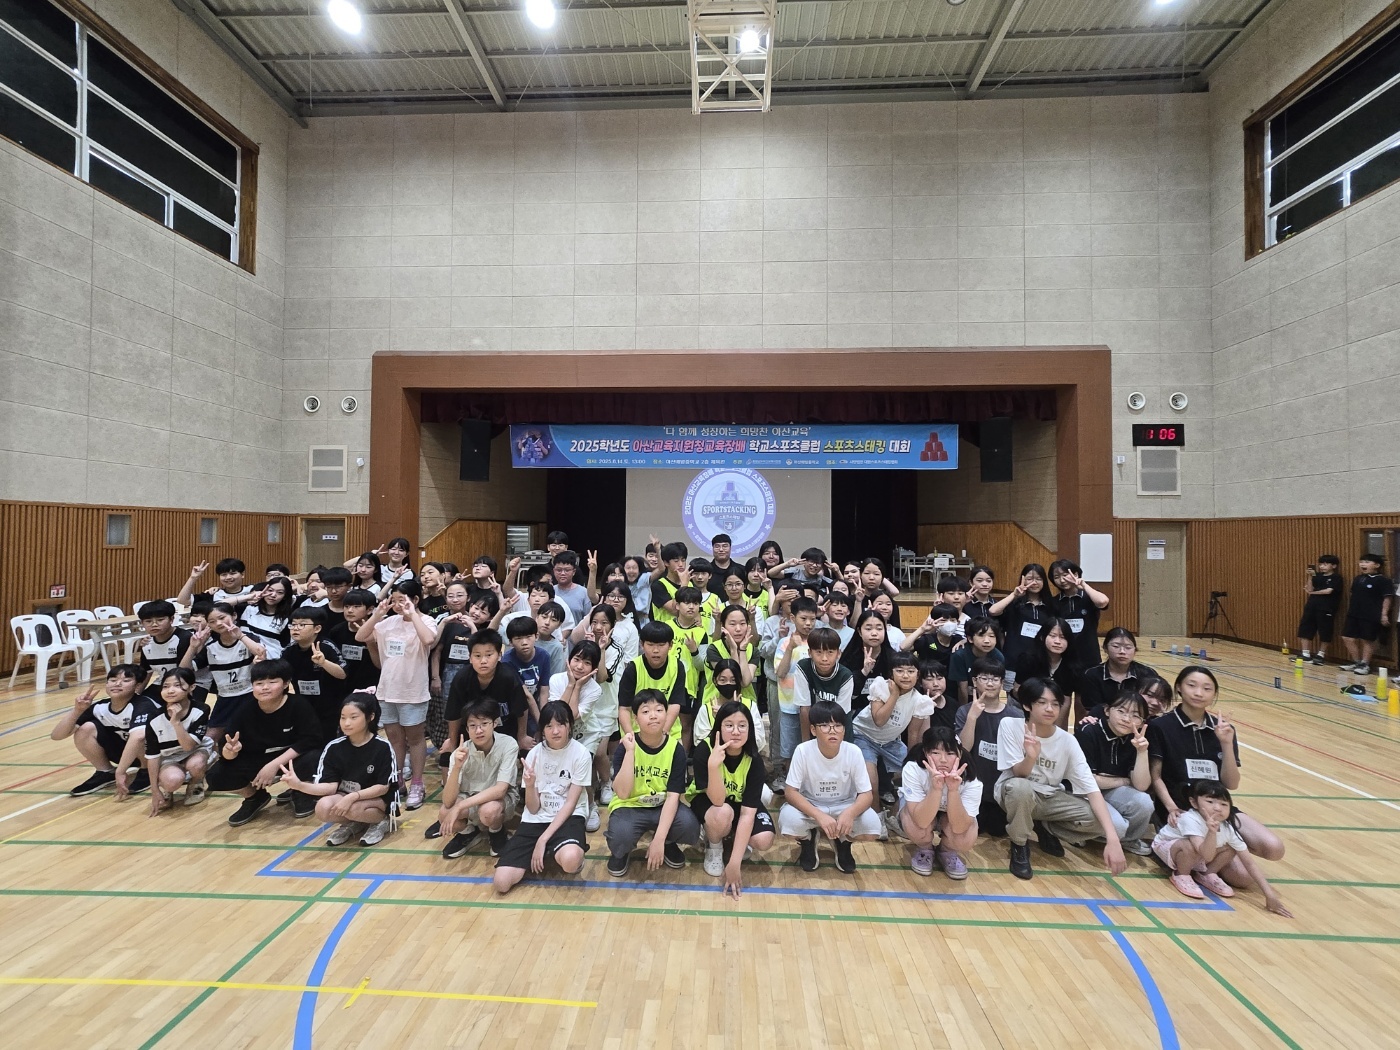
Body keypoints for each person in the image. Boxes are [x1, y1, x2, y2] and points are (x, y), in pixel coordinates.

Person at [1148, 665, 1286, 871]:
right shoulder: (1160, 726)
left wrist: (1226, 743)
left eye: (1207, 688)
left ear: (1214, 694)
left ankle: (1217, 849)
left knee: (1273, 848)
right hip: (1179, 811)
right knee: (1237, 874)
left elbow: (1231, 783)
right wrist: (1171, 807)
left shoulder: (1223, 729)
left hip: (1217, 809)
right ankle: (1194, 853)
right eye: (1191, 685)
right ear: (1178, 688)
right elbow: (1156, 776)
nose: (1198, 693)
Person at [995, 678, 1127, 881]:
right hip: (1014, 790)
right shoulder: (1010, 725)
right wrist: (1031, 756)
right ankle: (1019, 844)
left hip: (1049, 796)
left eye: (1055, 704)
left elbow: (1092, 790)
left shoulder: (1068, 741)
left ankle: (1046, 827)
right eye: (1042, 702)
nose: (1050, 709)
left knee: (1111, 825)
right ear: (1027, 705)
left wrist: (1113, 840)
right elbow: (1019, 774)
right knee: (1021, 788)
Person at [205, 660, 323, 827]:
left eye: (272, 682)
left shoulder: (298, 705)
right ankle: (254, 797)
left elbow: (310, 739)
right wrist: (230, 751)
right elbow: (227, 748)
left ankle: (301, 791)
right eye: (259, 683)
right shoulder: (245, 710)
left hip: (290, 758)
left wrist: (274, 765)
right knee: (216, 775)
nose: (265, 687)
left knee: (314, 757)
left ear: (286, 684)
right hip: (258, 759)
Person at [493, 701, 593, 894]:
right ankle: (547, 851)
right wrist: (530, 785)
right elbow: (532, 808)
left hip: (568, 817)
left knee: (571, 861)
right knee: (501, 883)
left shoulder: (581, 754)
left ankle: (555, 849)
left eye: (561, 724)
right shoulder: (534, 754)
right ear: (542, 730)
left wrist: (542, 839)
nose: (555, 731)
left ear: (569, 726)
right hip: (537, 819)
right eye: (549, 726)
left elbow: (571, 803)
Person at [1151, 782, 1291, 914]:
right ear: (1194, 802)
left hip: (1199, 853)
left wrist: (1269, 895)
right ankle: (1182, 875)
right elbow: (1205, 854)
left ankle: (1207, 874)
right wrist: (1212, 833)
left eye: (1224, 804)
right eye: (1210, 802)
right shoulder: (1190, 819)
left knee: (1231, 847)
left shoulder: (1228, 828)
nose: (1218, 808)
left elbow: (1249, 862)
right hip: (1168, 847)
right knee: (1189, 846)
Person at [605, 689, 701, 878]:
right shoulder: (625, 747)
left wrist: (658, 840)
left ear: (666, 714)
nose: (653, 716)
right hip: (630, 806)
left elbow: (673, 797)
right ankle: (622, 852)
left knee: (689, 826)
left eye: (658, 710)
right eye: (646, 711)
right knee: (620, 836)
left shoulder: (676, 749)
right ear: (635, 718)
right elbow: (622, 793)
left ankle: (667, 842)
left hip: (662, 806)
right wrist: (630, 752)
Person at [356, 579, 435, 809]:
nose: (398, 605)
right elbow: (361, 636)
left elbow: (428, 639)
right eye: (395, 600)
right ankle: (397, 779)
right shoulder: (388, 623)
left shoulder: (426, 621)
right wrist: (378, 614)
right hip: (387, 691)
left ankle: (417, 783)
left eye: (403, 600)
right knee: (395, 739)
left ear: (416, 599)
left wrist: (412, 614)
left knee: (416, 739)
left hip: (413, 691)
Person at [778, 700, 881, 873]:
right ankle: (808, 839)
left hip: (844, 805)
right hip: (812, 805)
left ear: (844, 730)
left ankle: (843, 841)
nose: (832, 730)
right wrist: (819, 815)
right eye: (825, 725)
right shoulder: (803, 751)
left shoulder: (853, 751)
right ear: (813, 730)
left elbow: (866, 794)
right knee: (788, 823)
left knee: (873, 827)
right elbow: (790, 792)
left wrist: (850, 813)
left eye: (838, 725)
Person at [283, 693, 398, 846]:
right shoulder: (334, 747)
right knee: (322, 807)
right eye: (343, 718)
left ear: (370, 717)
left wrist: (352, 797)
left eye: (353, 717)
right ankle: (355, 822)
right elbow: (330, 787)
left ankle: (380, 821)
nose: (346, 723)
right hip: (345, 796)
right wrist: (299, 785)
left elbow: (383, 787)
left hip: (377, 799)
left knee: (353, 808)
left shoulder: (382, 747)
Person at [688, 700, 775, 892]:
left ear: (750, 729)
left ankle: (735, 839)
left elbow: (747, 814)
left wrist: (735, 863)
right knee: (723, 812)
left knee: (764, 839)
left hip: (738, 802)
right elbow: (717, 800)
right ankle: (714, 845)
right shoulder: (704, 750)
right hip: (710, 802)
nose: (736, 731)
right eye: (729, 725)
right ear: (719, 727)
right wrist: (713, 766)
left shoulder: (754, 759)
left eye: (742, 726)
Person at [52, 665, 157, 795]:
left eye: (126, 680)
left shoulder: (144, 705)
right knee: (86, 728)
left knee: (139, 736)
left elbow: (138, 737)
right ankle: (105, 772)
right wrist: (77, 710)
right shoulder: (100, 707)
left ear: (138, 685)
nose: (117, 684)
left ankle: (147, 770)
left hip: (152, 755)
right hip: (122, 753)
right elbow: (57, 736)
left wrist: (121, 771)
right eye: (113, 680)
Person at [435, 699, 521, 858]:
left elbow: (500, 790)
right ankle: (468, 833)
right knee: (444, 813)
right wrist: (457, 767)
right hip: (469, 797)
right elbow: (447, 801)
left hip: (499, 800)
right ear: (467, 728)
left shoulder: (508, 744)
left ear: (495, 723)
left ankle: (496, 831)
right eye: (473, 725)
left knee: (489, 810)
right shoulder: (460, 752)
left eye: (484, 724)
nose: (479, 730)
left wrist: (460, 807)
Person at [848, 651, 935, 805]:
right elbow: (879, 721)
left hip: (891, 742)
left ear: (918, 675)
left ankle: (899, 812)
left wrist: (911, 763)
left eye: (911, 671)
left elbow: (913, 733)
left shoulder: (920, 700)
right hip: (863, 736)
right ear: (891, 673)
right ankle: (877, 816)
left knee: (919, 774)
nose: (905, 676)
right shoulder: (881, 686)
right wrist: (894, 695)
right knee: (870, 783)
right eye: (899, 671)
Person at [1074, 689, 1155, 855]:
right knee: (1117, 827)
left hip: (1109, 791)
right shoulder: (1089, 731)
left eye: (1135, 715)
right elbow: (1089, 781)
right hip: (1082, 792)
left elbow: (1141, 785)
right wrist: (1124, 781)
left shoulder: (1136, 739)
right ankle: (1076, 832)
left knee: (1144, 802)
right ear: (1107, 711)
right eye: (1121, 711)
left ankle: (1127, 840)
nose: (1127, 719)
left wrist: (1142, 752)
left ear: (1142, 722)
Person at [441, 629, 531, 775]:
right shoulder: (461, 678)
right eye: (477, 656)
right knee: (446, 756)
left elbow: (522, 709)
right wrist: (452, 741)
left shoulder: (508, 677)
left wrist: (522, 736)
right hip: (472, 734)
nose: (483, 661)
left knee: (524, 754)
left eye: (489, 655)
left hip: (504, 733)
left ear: (499, 655)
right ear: (470, 658)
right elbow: (454, 713)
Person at [123, 667, 213, 813]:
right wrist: (154, 790)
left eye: (177, 685)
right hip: (169, 757)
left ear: (191, 687)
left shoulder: (201, 710)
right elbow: (153, 757)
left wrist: (176, 723)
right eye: (165, 686)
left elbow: (188, 746)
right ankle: (168, 789)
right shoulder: (154, 718)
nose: (170, 690)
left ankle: (196, 783)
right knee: (171, 781)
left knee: (196, 764)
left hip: (195, 751)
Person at [898, 726, 979, 879]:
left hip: (951, 813)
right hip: (923, 811)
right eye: (936, 753)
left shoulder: (970, 778)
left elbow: (960, 826)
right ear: (925, 752)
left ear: (960, 754)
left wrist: (953, 790)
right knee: (916, 827)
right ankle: (925, 848)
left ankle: (947, 850)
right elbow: (921, 821)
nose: (943, 760)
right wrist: (936, 788)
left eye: (950, 753)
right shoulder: (913, 769)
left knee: (965, 838)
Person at [954, 654, 1020, 837]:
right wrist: (972, 717)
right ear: (975, 681)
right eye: (984, 678)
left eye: (995, 679)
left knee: (999, 832)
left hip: (1001, 789)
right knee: (970, 829)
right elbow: (964, 750)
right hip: (974, 788)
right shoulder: (964, 711)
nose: (990, 683)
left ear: (1002, 683)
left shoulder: (1015, 715)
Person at [183, 603, 265, 741]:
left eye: (222, 618)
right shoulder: (211, 648)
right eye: (212, 621)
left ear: (234, 616)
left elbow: (261, 653)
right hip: (226, 698)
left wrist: (240, 636)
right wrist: (192, 648)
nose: (218, 623)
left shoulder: (248, 638)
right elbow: (184, 670)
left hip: (251, 695)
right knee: (210, 738)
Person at [550, 640, 604, 830]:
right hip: (559, 733)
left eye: (587, 663)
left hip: (586, 735)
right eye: (577, 659)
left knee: (582, 773)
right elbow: (557, 714)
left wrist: (578, 686)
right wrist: (570, 685)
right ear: (569, 659)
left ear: (594, 668)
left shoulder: (595, 689)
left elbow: (570, 716)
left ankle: (591, 805)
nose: (580, 666)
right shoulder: (556, 680)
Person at [616, 620, 688, 741]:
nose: (655, 650)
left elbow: (674, 704)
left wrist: (662, 735)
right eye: (650, 645)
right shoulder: (633, 668)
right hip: (636, 734)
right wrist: (631, 736)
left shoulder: (677, 666)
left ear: (670, 645)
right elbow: (624, 708)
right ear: (642, 644)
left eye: (661, 645)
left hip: (668, 732)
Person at [772, 596, 820, 778]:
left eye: (812, 619)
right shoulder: (784, 643)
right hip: (790, 706)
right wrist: (791, 648)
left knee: (814, 746)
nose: (808, 624)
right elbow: (780, 672)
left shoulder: (818, 643)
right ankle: (792, 780)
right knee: (790, 749)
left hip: (814, 706)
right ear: (792, 618)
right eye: (803, 619)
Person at [792, 626, 855, 741]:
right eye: (819, 652)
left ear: (838, 653)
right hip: (814, 726)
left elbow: (840, 714)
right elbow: (804, 708)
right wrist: (806, 743)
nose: (824, 658)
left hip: (839, 729)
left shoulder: (845, 676)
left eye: (830, 652)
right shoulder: (803, 668)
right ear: (810, 653)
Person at [1013, 616, 1080, 722]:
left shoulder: (1071, 665)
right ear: (1042, 637)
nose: (1057, 641)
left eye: (1063, 637)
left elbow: (1065, 699)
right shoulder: (1028, 659)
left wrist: (1056, 727)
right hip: (1023, 706)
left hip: (1054, 709)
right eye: (1052, 636)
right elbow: (1017, 690)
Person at [1048, 559, 1110, 673]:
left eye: (1065, 575)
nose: (1062, 580)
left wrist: (1084, 586)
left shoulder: (1089, 596)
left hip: (1089, 654)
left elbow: (1103, 602)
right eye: (1056, 577)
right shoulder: (1054, 602)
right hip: (1064, 656)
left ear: (1075, 574)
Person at [988, 563, 1052, 669]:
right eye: (1029, 579)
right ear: (1023, 580)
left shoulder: (1050, 605)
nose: (1034, 582)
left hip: (1041, 660)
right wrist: (1014, 595)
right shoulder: (1014, 604)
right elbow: (993, 611)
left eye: (1039, 579)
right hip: (1013, 660)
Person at [1079, 628, 1158, 713]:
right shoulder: (1092, 675)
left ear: (1135, 650)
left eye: (1128, 647)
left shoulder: (1148, 674)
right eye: (1116, 646)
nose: (1122, 651)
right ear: (1105, 648)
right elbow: (1092, 710)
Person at [1341, 553, 1392, 678]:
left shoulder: (1383, 580)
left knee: (1367, 639)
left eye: (1367, 562)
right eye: (1361, 562)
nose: (1362, 564)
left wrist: (1384, 614)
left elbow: (1387, 598)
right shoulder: (1358, 579)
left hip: (1371, 614)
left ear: (1377, 565)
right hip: (1354, 613)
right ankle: (1357, 662)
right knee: (1347, 637)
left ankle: (1365, 664)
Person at [503, 616, 553, 742]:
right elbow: (526, 696)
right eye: (518, 638)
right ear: (510, 642)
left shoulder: (544, 656)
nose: (524, 642)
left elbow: (544, 691)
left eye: (528, 637)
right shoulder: (507, 661)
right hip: (513, 708)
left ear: (536, 636)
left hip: (533, 705)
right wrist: (542, 725)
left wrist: (545, 719)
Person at [839, 608, 898, 714]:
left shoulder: (893, 658)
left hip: (886, 712)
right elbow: (844, 694)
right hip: (853, 712)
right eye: (868, 629)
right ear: (859, 632)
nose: (874, 633)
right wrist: (863, 672)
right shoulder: (849, 657)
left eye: (879, 629)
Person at [135, 600, 192, 699]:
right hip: (162, 683)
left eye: (160, 620)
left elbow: (185, 672)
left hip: (187, 684)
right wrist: (135, 697)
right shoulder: (147, 643)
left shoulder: (184, 638)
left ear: (171, 619)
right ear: (142, 623)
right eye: (148, 621)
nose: (154, 624)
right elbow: (146, 672)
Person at [1295, 554, 1343, 666]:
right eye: (1321, 564)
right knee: (1306, 628)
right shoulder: (1317, 576)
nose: (1322, 566)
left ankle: (1321, 654)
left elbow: (1328, 591)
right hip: (1312, 606)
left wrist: (1313, 592)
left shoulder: (1336, 578)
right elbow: (1309, 588)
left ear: (1334, 566)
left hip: (1326, 608)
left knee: (1325, 631)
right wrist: (1310, 576)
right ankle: (1305, 654)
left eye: (1325, 564)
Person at [330, 589, 380, 694]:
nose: (350, 610)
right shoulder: (336, 631)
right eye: (346, 606)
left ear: (370, 610)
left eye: (356, 606)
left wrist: (368, 640)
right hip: (342, 686)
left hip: (370, 687)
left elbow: (379, 664)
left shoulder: (379, 631)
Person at [947, 617, 1004, 703]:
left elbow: (999, 685)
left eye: (991, 636)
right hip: (961, 698)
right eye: (981, 635)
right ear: (970, 639)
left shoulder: (998, 656)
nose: (987, 641)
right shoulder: (959, 655)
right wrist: (965, 709)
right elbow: (962, 688)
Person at [237, 577, 293, 660]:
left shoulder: (287, 618)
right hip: (245, 658)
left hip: (271, 660)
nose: (273, 595)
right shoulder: (249, 609)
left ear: (285, 596)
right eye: (270, 590)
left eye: (280, 592)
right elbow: (220, 606)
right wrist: (250, 597)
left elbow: (287, 646)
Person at [550, 551, 592, 625]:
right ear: (554, 571)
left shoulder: (583, 592)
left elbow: (588, 619)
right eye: (559, 570)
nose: (562, 573)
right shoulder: (550, 591)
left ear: (574, 571)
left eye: (567, 570)